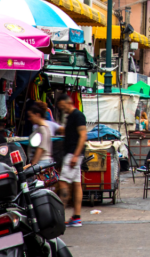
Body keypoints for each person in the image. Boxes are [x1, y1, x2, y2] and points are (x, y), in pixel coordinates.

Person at [56, 93, 86, 228]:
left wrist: (75, 155)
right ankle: (76, 217)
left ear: (68, 103)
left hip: (73, 154)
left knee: (63, 183)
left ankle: (60, 216)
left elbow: (82, 136)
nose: (63, 109)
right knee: (76, 184)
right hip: (74, 154)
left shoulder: (78, 116)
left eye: (63, 106)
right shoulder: (70, 117)